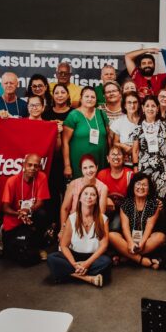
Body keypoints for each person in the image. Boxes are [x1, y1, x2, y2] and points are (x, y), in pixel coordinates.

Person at [47, 184, 112, 286]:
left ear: (96, 200)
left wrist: (87, 263)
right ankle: (88, 278)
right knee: (52, 258)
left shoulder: (103, 219)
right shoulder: (72, 218)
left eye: (93, 195)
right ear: (80, 198)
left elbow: (104, 246)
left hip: (92, 257)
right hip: (74, 256)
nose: (89, 197)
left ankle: (68, 274)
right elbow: (63, 245)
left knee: (106, 261)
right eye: (85, 194)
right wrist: (73, 263)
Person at [108, 173, 166, 269]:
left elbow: (150, 226)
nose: (141, 187)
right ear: (133, 186)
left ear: (149, 189)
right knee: (111, 235)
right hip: (129, 239)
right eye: (138, 184)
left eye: (144, 185)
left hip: (146, 241)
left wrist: (142, 243)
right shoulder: (126, 203)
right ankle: (141, 260)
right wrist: (130, 243)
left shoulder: (154, 204)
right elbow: (124, 227)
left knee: (160, 237)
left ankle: (128, 256)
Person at [1, 153, 51, 262]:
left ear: (39, 167)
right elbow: (5, 208)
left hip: (30, 215)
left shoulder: (41, 177)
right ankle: (2, 230)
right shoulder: (12, 181)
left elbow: (40, 202)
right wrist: (19, 214)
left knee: (43, 214)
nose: (32, 168)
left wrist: (28, 210)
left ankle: (39, 247)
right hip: (15, 217)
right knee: (12, 252)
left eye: (36, 166)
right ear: (24, 165)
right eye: (30, 165)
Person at [131, 95, 166, 198]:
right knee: (145, 197)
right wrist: (135, 168)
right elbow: (135, 150)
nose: (150, 108)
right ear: (143, 108)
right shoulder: (138, 129)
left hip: (163, 168)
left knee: (162, 199)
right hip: (144, 168)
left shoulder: (165, 125)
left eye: (153, 106)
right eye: (147, 106)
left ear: (157, 108)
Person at [41, 84, 73, 230]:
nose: (60, 95)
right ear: (53, 96)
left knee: (69, 195)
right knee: (52, 196)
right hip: (51, 160)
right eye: (57, 92)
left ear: (67, 95)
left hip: (69, 159)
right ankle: (53, 226)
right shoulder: (46, 113)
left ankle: (67, 226)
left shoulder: (74, 113)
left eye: (63, 92)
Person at [62, 86, 111, 179]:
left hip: (101, 161)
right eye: (87, 96)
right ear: (81, 99)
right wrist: (67, 165)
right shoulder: (73, 115)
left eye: (93, 97)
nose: (90, 99)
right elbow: (65, 142)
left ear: (96, 99)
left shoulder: (101, 114)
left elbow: (108, 137)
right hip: (78, 162)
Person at [60, 154, 110, 229]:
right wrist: (62, 229)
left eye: (91, 167)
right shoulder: (73, 184)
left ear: (97, 167)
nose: (88, 171)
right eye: (85, 168)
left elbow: (100, 214)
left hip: (92, 225)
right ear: (81, 170)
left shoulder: (103, 188)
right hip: (73, 224)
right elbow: (65, 208)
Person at [97, 146, 134, 222]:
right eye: (113, 154)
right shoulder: (101, 174)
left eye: (119, 154)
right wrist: (106, 199)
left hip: (124, 211)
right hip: (105, 209)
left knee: (115, 226)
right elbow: (97, 196)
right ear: (108, 158)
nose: (116, 157)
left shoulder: (130, 174)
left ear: (124, 158)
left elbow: (133, 199)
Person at [111, 91, 140, 164]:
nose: (132, 105)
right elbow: (115, 143)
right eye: (129, 102)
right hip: (125, 163)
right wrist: (123, 146)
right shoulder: (119, 122)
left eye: (135, 102)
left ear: (139, 104)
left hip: (142, 162)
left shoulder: (144, 121)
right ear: (124, 105)